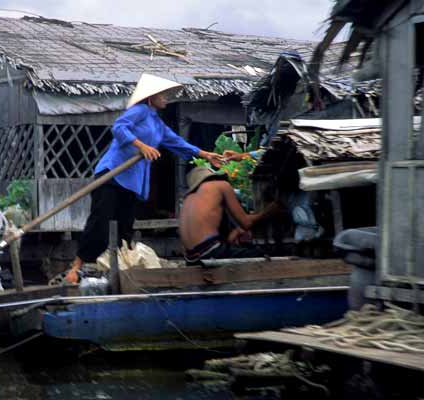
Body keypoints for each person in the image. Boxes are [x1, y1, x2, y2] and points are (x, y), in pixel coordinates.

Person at [65, 73, 223, 283]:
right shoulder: (139, 111)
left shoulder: (157, 123)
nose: (166, 98)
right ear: (151, 97)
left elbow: (176, 142)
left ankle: (122, 271)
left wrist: (204, 154)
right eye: (163, 95)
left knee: (125, 228)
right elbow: (119, 128)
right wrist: (141, 145)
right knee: (100, 223)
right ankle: (76, 268)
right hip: (113, 175)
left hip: (131, 182)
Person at [179, 166, 280, 265]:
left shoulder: (188, 198)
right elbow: (246, 222)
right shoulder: (221, 185)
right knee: (264, 254)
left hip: (190, 258)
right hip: (210, 251)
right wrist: (267, 211)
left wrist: (235, 232)